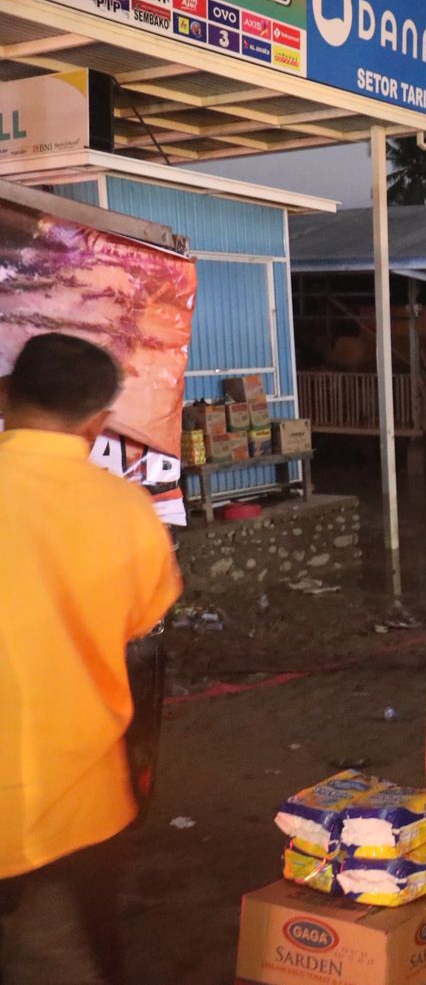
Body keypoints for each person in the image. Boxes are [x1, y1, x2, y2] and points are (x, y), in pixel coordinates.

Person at [0, 334, 183, 984]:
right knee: (88, 950)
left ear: (5, 396)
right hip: (82, 796)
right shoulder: (128, 511)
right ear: (98, 423)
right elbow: (142, 621)